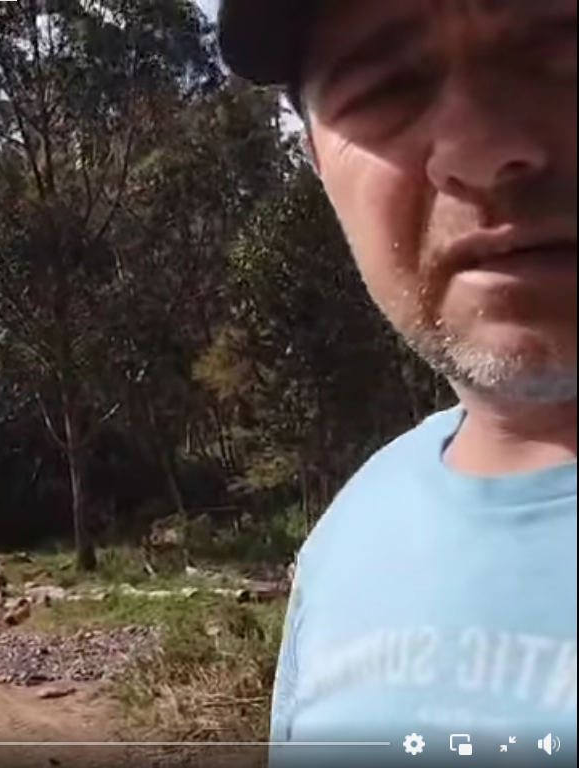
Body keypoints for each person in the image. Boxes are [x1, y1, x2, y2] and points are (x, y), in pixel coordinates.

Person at [217, 1, 577, 765]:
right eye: (386, 87)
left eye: (564, 48)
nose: (481, 149)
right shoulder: (347, 544)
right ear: (315, 158)